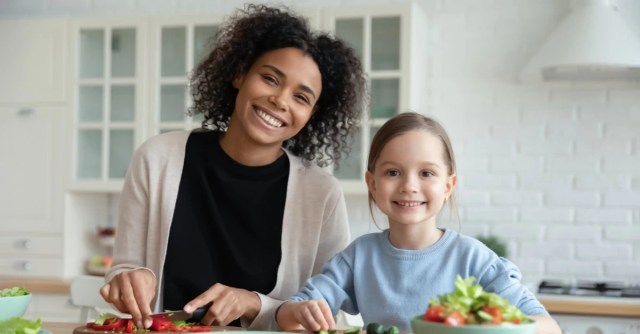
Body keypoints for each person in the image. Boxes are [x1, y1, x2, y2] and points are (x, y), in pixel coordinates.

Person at [100, 3, 366, 331]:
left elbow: (325, 312)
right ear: (240, 74)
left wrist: (253, 303)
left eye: (301, 97)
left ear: (312, 114)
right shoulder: (157, 160)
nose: (281, 101)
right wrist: (127, 279)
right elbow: (123, 269)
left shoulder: (321, 194)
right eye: (270, 78)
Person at [276, 112, 562, 334]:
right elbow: (293, 311)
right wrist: (299, 313)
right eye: (393, 172)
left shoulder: (475, 260)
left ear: (448, 186)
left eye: (426, 173)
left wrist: (487, 327)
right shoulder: (357, 258)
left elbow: (549, 327)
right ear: (372, 184)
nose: (409, 186)